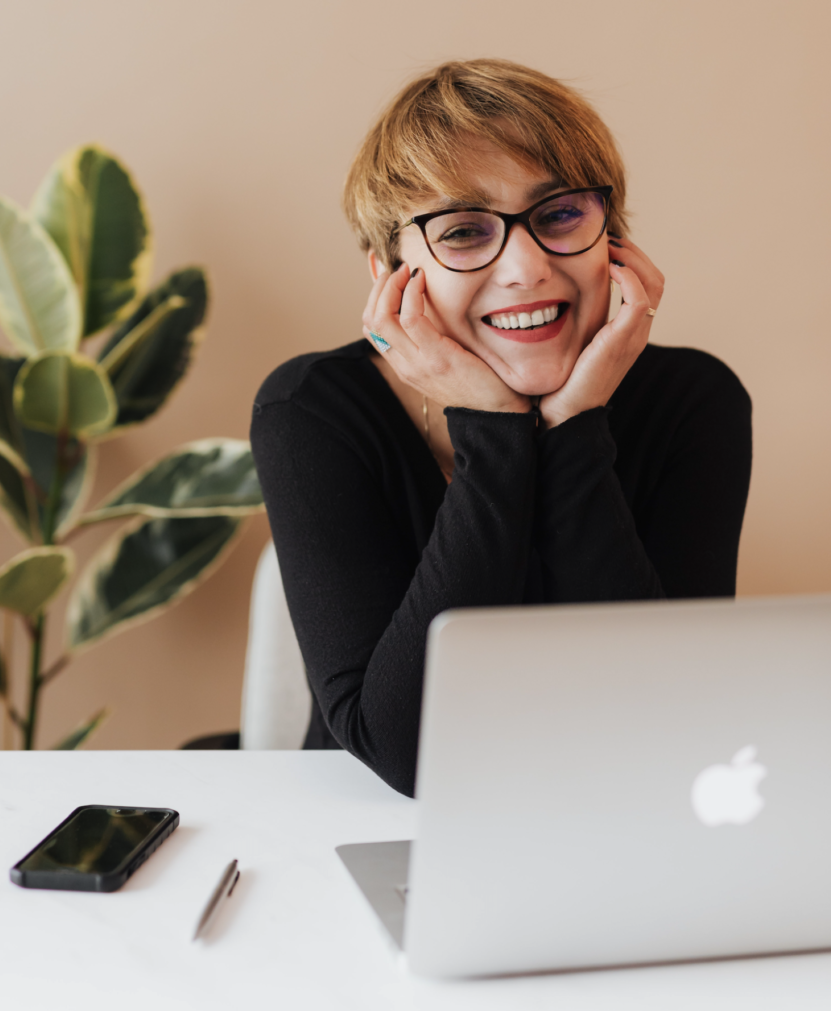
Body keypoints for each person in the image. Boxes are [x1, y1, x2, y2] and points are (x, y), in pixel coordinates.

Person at [250, 59, 752, 797]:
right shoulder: (312, 410)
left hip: (615, 813)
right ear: (390, 272)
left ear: (612, 237)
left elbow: (669, 716)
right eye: (462, 231)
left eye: (558, 216)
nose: (525, 267)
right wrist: (493, 429)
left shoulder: (694, 399)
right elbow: (406, 753)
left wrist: (574, 426)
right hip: (372, 829)